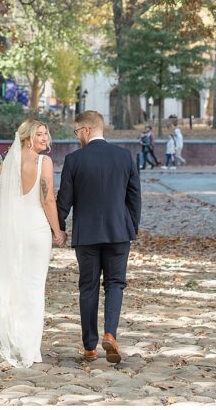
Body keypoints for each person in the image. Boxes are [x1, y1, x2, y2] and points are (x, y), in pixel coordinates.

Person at [56, 110, 141, 365]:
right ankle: (110, 334)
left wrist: (57, 227)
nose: (77, 137)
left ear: (86, 130)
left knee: (88, 286)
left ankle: (90, 346)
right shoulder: (125, 157)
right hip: (119, 233)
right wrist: (131, 228)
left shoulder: (74, 160)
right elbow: (134, 197)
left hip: (87, 235)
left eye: (76, 132)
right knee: (115, 284)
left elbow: (65, 201)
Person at [0, 119, 65, 368]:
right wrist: (58, 231)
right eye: (39, 134)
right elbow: (48, 200)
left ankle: (16, 341)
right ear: (26, 138)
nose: (45, 138)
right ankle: (30, 348)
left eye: (46, 134)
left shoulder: (6, 166)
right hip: (35, 231)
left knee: (16, 284)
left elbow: (3, 200)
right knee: (33, 287)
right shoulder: (44, 162)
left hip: (13, 231)